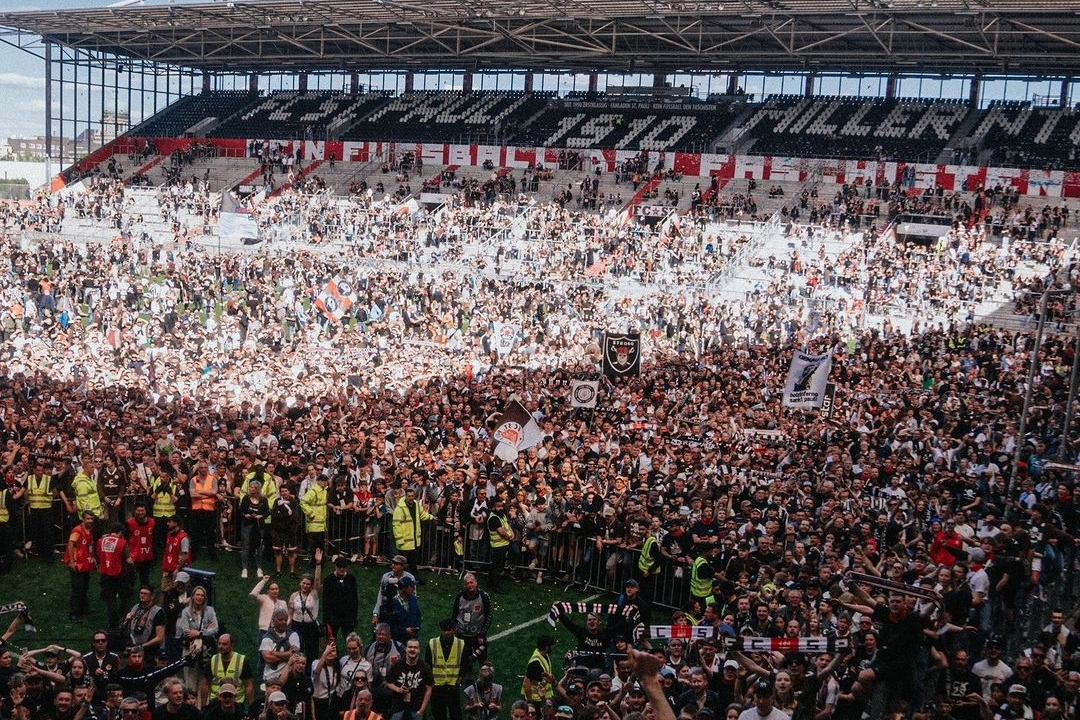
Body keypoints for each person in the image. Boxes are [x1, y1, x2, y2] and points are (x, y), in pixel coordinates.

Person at [449, 573, 492, 680]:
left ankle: (485, 678)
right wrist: (454, 629)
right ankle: (469, 679)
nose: (470, 585)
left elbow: (489, 615)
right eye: (467, 583)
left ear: (476, 583)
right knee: (466, 658)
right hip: (462, 633)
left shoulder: (484, 596)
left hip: (478, 634)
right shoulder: (460, 596)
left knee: (482, 657)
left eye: (471, 582)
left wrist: (482, 633)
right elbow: (455, 613)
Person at [288, 548, 323, 664]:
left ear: (311, 586)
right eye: (303, 583)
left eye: (308, 584)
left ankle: (311, 675)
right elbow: (290, 613)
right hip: (296, 625)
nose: (305, 586)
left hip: (310, 626)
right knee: (298, 652)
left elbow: (317, 579)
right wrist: (286, 626)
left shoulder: (314, 594)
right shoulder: (293, 595)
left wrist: (318, 563)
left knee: (312, 652)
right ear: (300, 583)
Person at [97, 522, 134, 631]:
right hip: (119, 575)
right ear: (120, 532)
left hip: (105, 575)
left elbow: (99, 556)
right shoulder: (122, 543)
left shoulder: (100, 541)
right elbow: (129, 560)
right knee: (125, 598)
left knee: (110, 602)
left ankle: (113, 625)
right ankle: (125, 623)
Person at [384, 638, 433, 720]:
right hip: (398, 708)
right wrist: (398, 689)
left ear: (419, 650)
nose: (412, 649)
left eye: (415, 647)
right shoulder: (397, 664)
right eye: (410, 647)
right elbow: (388, 682)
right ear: (405, 649)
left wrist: (421, 710)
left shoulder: (425, 667)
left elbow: (429, 689)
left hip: (417, 709)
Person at [426, 619, 465, 720]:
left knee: (455, 714)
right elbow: (428, 663)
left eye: (449, 630)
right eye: (444, 630)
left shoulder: (461, 644)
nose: (446, 632)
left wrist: (460, 677)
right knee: (438, 714)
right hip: (437, 685)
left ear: (453, 630)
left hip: (453, 685)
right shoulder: (432, 643)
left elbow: (464, 663)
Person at [392, 487, 433, 580]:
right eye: (409, 496)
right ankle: (397, 576)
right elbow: (396, 524)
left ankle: (413, 577)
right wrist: (399, 538)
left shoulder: (416, 505)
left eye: (412, 496)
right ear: (405, 496)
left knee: (413, 561)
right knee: (400, 562)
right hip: (405, 541)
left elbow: (422, 514)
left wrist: (431, 517)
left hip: (414, 540)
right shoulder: (400, 508)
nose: (411, 498)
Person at [66, 510, 97, 622]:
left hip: (85, 563)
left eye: (91, 519)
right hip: (77, 563)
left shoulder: (90, 530)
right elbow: (71, 544)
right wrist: (72, 561)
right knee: (77, 588)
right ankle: (73, 613)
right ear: (83, 519)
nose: (90, 521)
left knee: (84, 587)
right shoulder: (77, 531)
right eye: (88, 518)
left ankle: (84, 608)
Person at [207, 634, 254, 709]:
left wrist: (251, 708)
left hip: (237, 702)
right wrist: (203, 707)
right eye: (219, 644)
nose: (221, 646)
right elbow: (205, 684)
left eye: (224, 644)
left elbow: (248, 686)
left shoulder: (241, 660)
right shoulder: (213, 660)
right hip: (216, 702)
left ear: (231, 645)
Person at [366, 623, 403, 717]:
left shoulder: (399, 648)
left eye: (384, 634)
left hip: (393, 689)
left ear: (389, 635)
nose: (381, 637)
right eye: (379, 634)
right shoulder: (369, 649)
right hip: (375, 689)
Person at [323, 556, 359, 649]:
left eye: (344, 567)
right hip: (333, 617)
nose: (342, 569)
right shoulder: (329, 580)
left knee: (350, 641)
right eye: (339, 567)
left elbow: (354, 599)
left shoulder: (351, 579)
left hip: (347, 617)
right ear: (335, 567)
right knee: (330, 641)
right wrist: (326, 620)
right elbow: (325, 601)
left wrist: (354, 617)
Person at [373, 557, 416, 632]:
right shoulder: (386, 576)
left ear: (403, 566)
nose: (393, 565)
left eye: (396, 564)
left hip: (403, 614)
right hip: (387, 612)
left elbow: (413, 598)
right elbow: (380, 595)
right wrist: (376, 614)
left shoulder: (410, 578)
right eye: (393, 563)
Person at [260, 609, 301, 688]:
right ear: (273, 620)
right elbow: (268, 658)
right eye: (280, 620)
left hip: (290, 677)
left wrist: (274, 653)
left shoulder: (293, 635)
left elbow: (295, 654)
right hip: (271, 678)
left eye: (285, 620)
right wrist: (288, 656)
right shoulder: (267, 638)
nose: (283, 622)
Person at [238, 479, 270, 580]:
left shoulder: (263, 500)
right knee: (246, 546)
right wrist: (245, 515)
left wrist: (261, 516)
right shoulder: (246, 498)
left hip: (259, 525)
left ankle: (259, 568)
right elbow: (241, 511)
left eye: (253, 487)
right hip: (247, 525)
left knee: (259, 546)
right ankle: (244, 568)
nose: (251, 489)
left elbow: (267, 512)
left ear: (257, 489)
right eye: (250, 487)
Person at [123, 586, 166, 656]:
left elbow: (160, 637)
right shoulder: (135, 608)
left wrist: (142, 646)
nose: (142, 595)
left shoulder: (158, 611)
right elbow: (125, 628)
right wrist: (127, 620)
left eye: (145, 594)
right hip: (134, 647)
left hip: (150, 649)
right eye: (141, 593)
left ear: (152, 596)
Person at [520, 635, 556, 708]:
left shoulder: (543, 655)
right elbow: (526, 683)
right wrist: (530, 703)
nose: (553, 647)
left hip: (542, 697)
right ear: (546, 647)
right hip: (535, 700)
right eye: (551, 645)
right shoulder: (535, 663)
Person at [125, 505, 155, 591]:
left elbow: (155, 538)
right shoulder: (129, 523)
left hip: (147, 556)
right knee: (130, 578)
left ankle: (144, 592)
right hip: (134, 557)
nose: (140, 513)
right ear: (134, 512)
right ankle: (127, 594)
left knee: (145, 578)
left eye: (142, 510)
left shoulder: (152, 522)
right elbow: (125, 540)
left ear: (146, 511)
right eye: (138, 511)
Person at [485, 498, 512, 593]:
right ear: (493, 507)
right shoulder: (494, 518)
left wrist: (511, 533)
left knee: (495, 566)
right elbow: (501, 532)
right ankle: (496, 586)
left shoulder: (502, 515)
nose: (501, 508)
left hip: (503, 544)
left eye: (501, 506)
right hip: (498, 545)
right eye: (498, 506)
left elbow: (507, 525)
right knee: (497, 567)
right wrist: (510, 537)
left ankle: (491, 582)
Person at [386, 577, 422, 645]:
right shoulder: (392, 603)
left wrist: (416, 627)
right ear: (403, 588)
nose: (413, 589)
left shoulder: (413, 599)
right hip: (398, 641)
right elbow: (389, 625)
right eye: (411, 586)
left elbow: (418, 615)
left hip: (413, 639)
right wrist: (404, 630)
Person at [160, 517, 190, 592]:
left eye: (170, 522)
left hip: (177, 570)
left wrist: (177, 569)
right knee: (164, 590)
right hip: (168, 569)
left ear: (176, 523)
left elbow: (185, 556)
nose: (167, 524)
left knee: (176, 592)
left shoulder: (184, 538)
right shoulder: (169, 535)